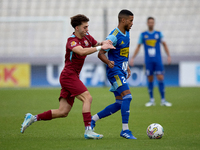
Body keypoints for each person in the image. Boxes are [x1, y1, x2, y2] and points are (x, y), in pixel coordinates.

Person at [20, 14, 115, 139]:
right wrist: (99, 47)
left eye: (88, 26)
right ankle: (88, 130)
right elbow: (81, 51)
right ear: (77, 28)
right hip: (68, 75)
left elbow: (96, 43)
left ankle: (33, 118)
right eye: (85, 27)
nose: (87, 29)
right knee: (87, 98)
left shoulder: (87, 37)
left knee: (63, 112)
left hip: (72, 76)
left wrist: (104, 42)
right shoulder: (72, 41)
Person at [91, 9, 136, 139]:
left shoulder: (127, 32)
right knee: (128, 97)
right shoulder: (113, 36)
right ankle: (125, 130)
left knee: (119, 103)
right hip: (114, 71)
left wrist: (126, 66)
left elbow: (122, 53)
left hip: (120, 69)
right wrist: (108, 62)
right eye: (131, 20)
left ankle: (92, 120)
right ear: (123, 20)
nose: (132, 23)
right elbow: (100, 53)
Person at [129, 17, 172, 107]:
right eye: (149, 22)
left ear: (154, 23)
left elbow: (164, 44)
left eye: (152, 22)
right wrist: (133, 57)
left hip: (158, 60)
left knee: (160, 78)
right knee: (150, 79)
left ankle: (163, 100)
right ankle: (151, 100)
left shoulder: (159, 34)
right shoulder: (143, 35)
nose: (151, 24)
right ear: (147, 23)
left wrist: (168, 56)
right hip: (148, 61)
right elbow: (138, 46)